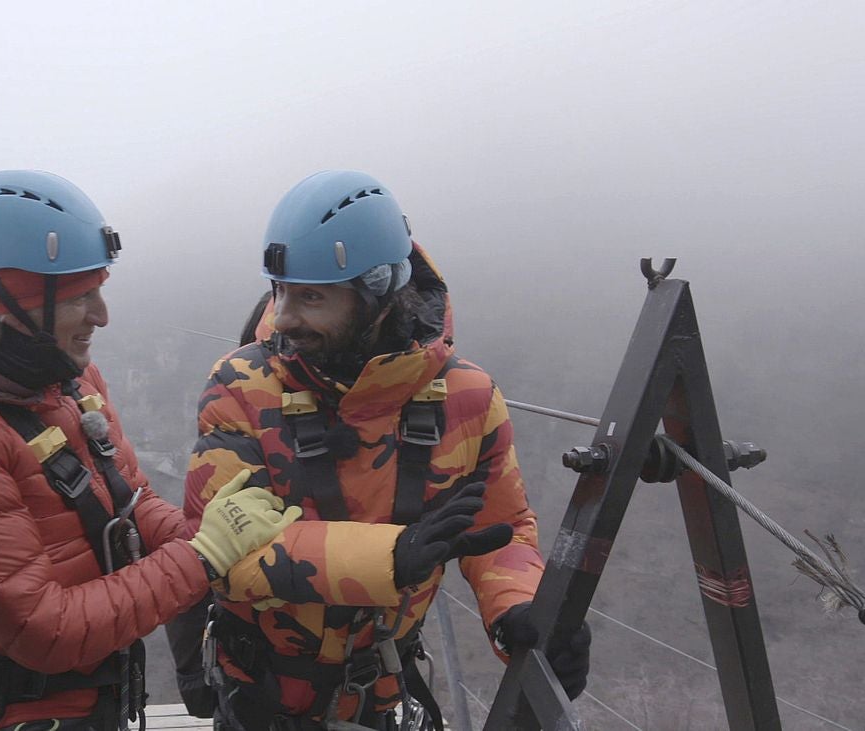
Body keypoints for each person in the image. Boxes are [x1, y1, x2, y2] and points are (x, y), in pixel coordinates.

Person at [0, 169, 299, 731]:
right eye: (84, 297)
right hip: (22, 715)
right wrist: (204, 555)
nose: (102, 316)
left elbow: (131, 502)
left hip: (102, 703)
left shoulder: (70, 383)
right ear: (19, 302)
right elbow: (45, 631)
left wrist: (222, 538)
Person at [184, 170, 593, 731]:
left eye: (310, 297)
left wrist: (517, 609)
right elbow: (224, 552)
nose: (284, 317)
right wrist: (393, 557)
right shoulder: (241, 385)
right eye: (279, 291)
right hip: (262, 695)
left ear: (377, 291)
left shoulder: (468, 398)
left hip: (385, 688)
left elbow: (500, 528)